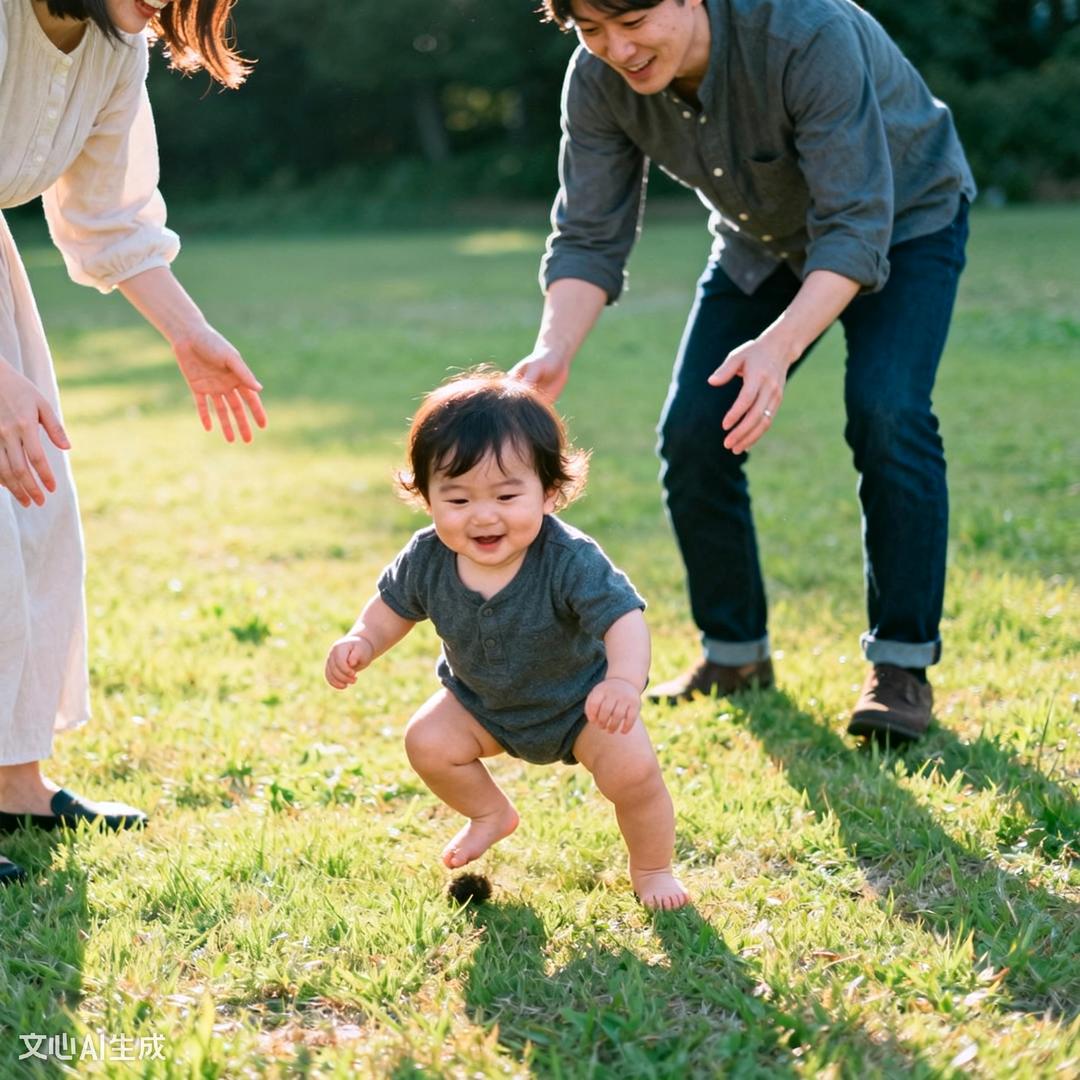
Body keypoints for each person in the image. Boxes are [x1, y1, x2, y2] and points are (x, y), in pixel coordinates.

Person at [514, 0, 975, 743]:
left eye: (631, 21)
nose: (617, 49)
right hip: (763, 244)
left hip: (907, 219)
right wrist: (553, 350)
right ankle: (735, 657)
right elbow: (588, 233)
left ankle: (900, 668)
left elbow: (857, 225)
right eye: (590, 29)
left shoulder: (804, 34)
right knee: (694, 433)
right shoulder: (595, 79)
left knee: (888, 409)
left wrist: (779, 345)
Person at [0, 0, 267, 886]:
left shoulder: (118, 46)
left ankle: (14, 785)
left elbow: (109, 212)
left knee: (30, 512)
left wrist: (189, 333)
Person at [324, 371, 689, 910]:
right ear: (426, 496)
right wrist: (362, 639)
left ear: (550, 491)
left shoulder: (568, 559)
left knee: (633, 774)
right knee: (427, 741)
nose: (484, 514)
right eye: (458, 497)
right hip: (482, 705)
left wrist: (623, 681)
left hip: (580, 706)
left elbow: (623, 619)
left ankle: (653, 869)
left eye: (506, 494)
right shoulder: (428, 557)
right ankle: (490, 813)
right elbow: (391, 608)